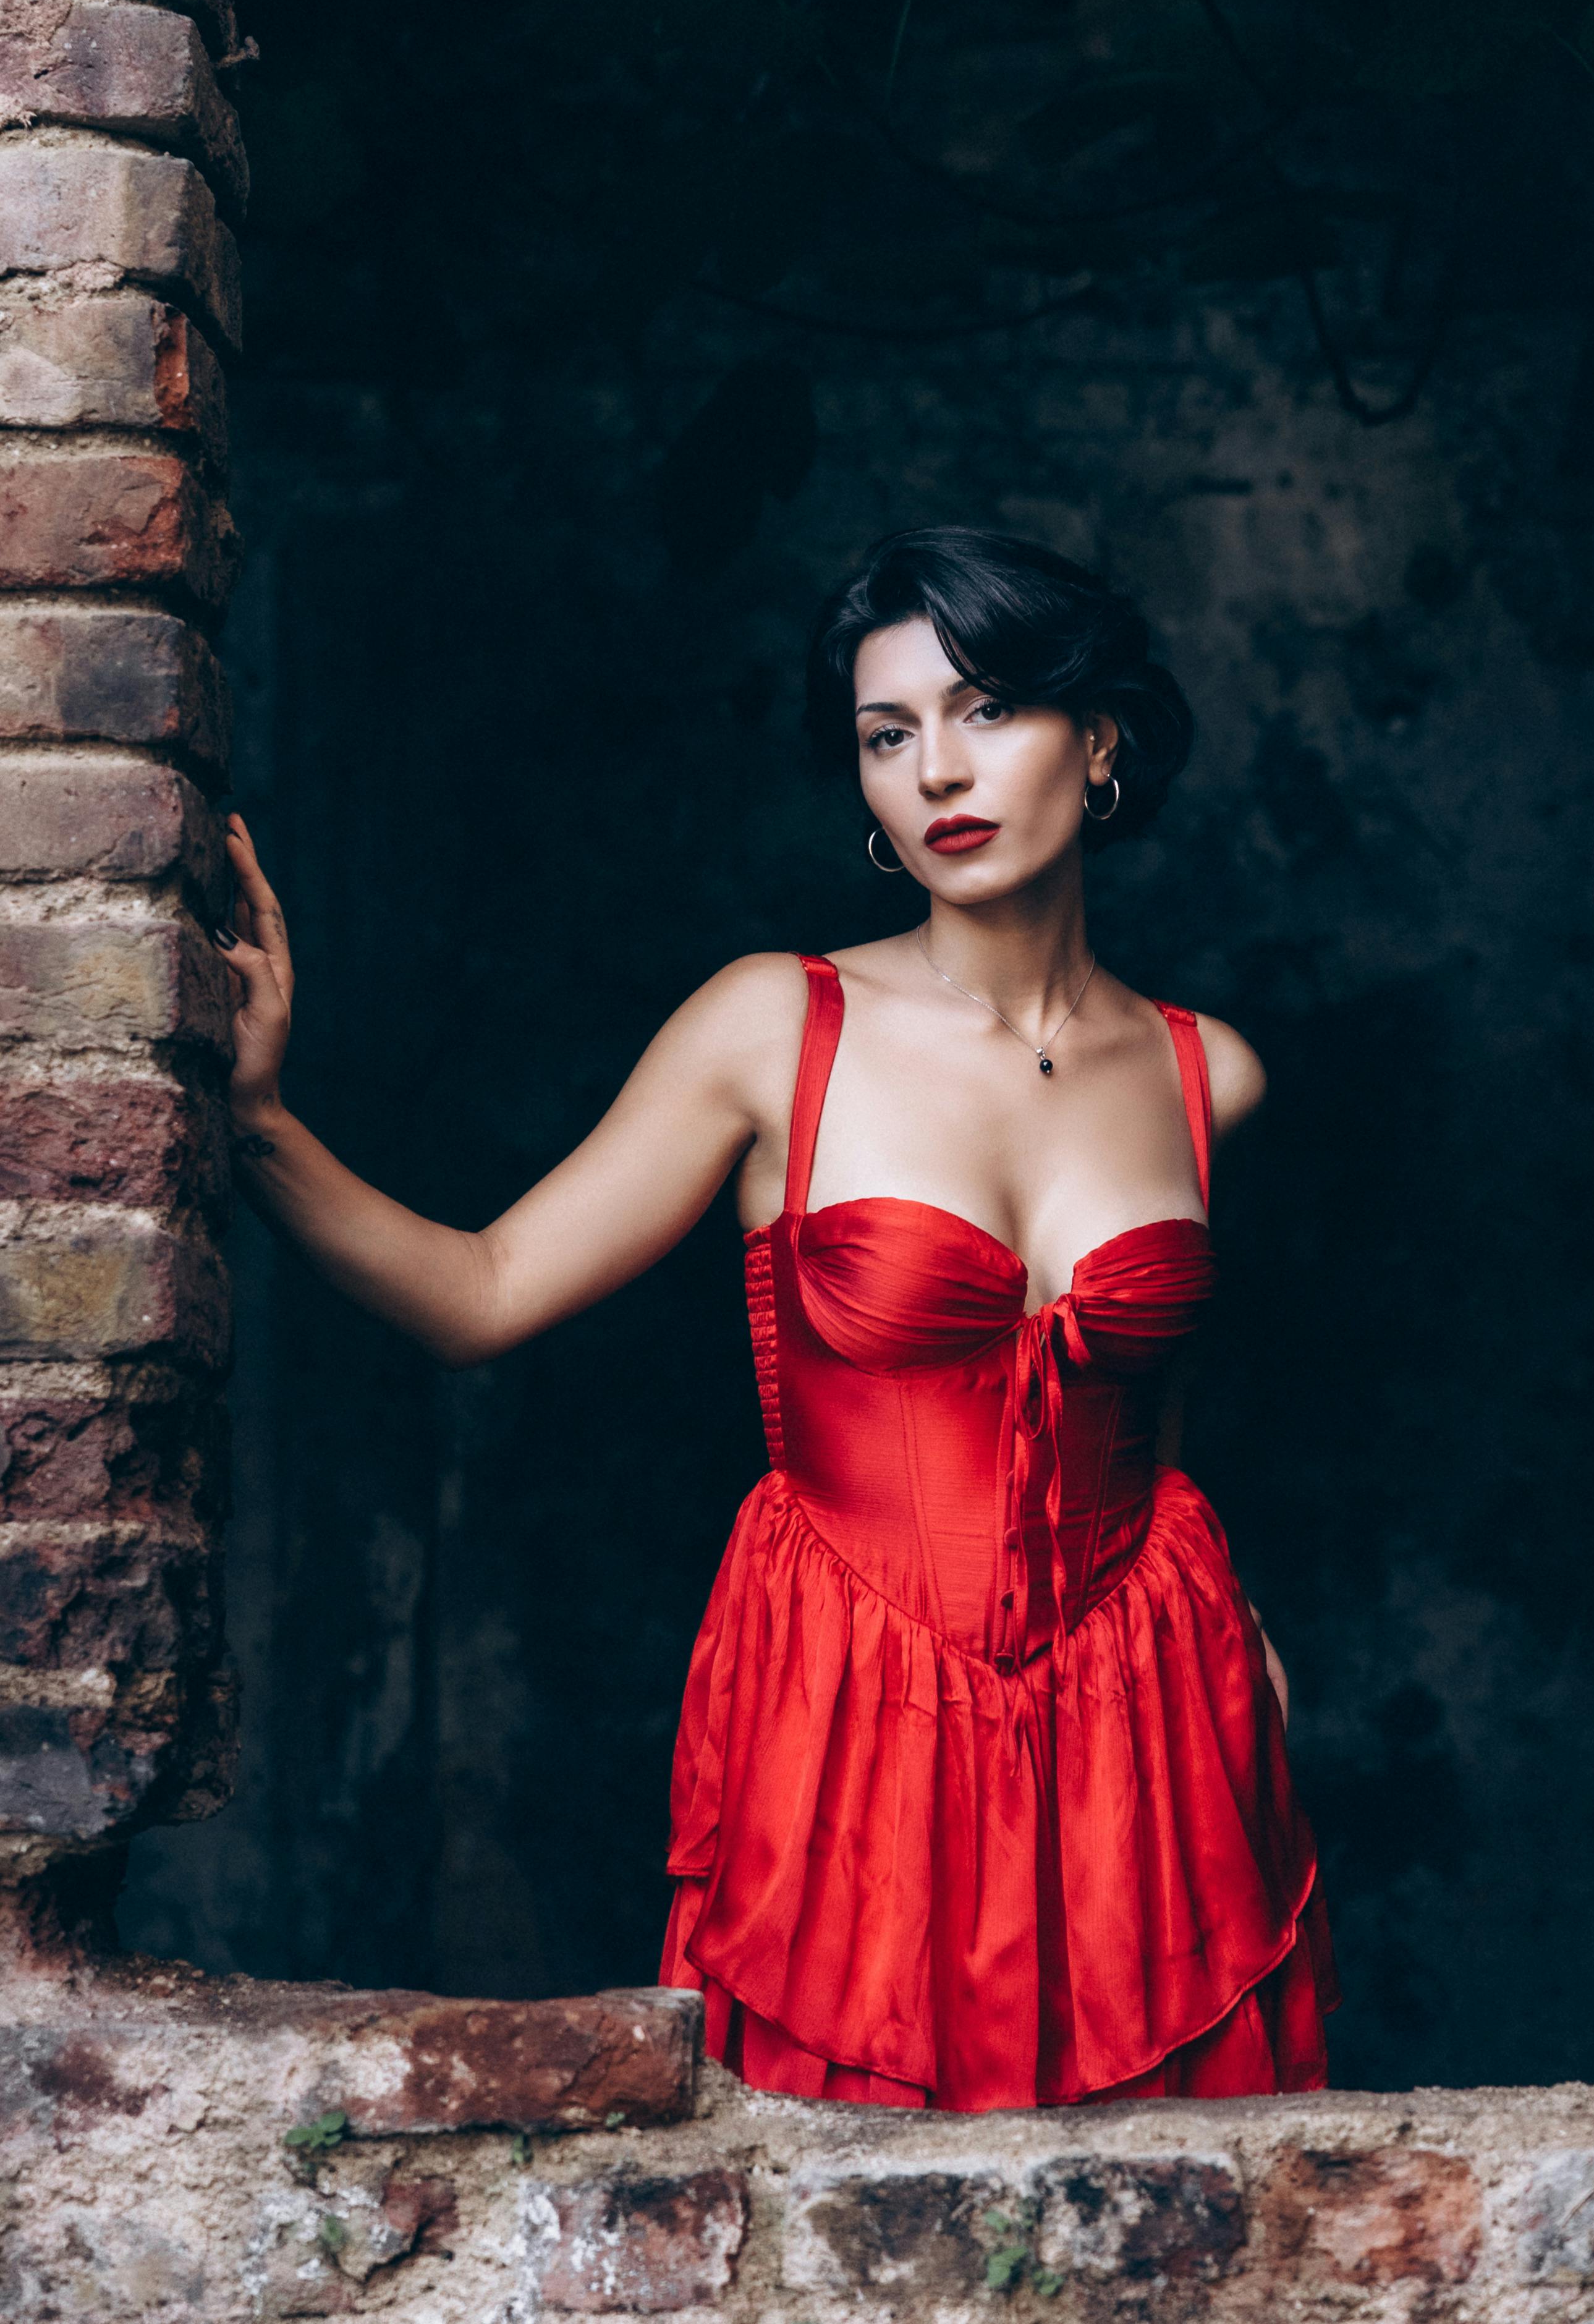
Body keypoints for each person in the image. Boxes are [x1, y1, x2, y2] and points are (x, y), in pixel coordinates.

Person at [218, 524, 1336, 2108]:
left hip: (1151, 1726)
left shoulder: (1208, 1072)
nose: (939, 770)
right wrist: (259, 1124)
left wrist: (1248, 1660)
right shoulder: (773, 1024)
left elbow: (1148, 1426)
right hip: (855, 1710)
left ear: (1099, 742)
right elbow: (484, 1291)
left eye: (988, 710)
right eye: (890, 735)